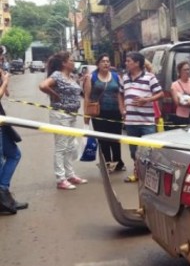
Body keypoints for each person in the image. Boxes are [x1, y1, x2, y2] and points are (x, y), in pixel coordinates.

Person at [39, 52, 89, 190]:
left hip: (72, 115)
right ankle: (60, 179)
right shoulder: (57, 75)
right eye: (71, 60)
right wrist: (55, 95)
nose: (74, 62)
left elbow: (80, 93)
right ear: (64, 63)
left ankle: (70, 174)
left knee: (70, 146)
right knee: (61, 147)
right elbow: (43, 86)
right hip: (60, 115)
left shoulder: (71, 76)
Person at [121, 52, 164, 183]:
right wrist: (122, 108)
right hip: (130, 122)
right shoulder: (125, 77)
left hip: (147, 122)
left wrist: (147, 99)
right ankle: (137, 173)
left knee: (149, 151)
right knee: (134, 151)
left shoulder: (150, 77)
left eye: (129, 61)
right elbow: (120, 94)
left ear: (137, 63)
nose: (126, 63)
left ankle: (150, 176)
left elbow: (161, 93)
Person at [83, 53, 125, 172]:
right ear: (98, 64)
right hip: (99, 113)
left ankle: (118, 162)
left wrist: (123, 110)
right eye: (103, 61)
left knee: (116, 138)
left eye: (107, 61)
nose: (106, 63)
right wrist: (86, 115)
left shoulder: (116, 77)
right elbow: (87, 97)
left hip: (115, 112)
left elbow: (120, 94)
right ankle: (107, 162)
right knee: (103, 139)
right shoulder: (92, 77)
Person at [0, 54, 27, 213]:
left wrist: (4, 80)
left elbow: (6, 94)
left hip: (2, 122)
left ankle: (3, 192)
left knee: (14, 154)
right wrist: (6, 81)